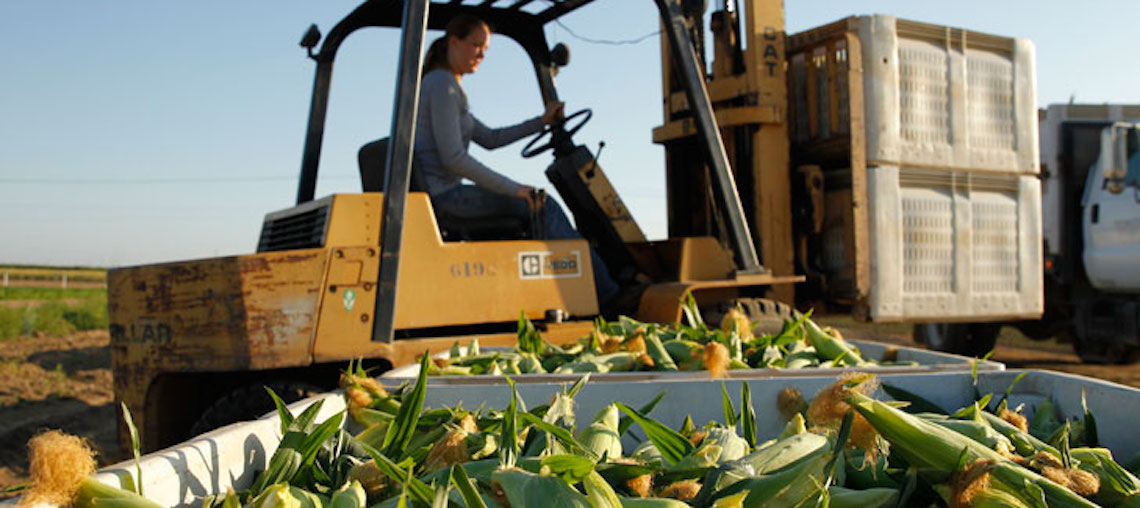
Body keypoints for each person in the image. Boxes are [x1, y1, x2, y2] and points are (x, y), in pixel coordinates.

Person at [413, 15, 621, 307]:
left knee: (537, 202)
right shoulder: (442, 86)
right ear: (454, 42)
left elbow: (491, 138)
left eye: (485, 50)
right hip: (449, 196)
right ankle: (609, 296)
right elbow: (454, 159)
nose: (482, 55)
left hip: (445, 193)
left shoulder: (447, 87)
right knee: (542, 204)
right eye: (476, 46)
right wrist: (514, 189)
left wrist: (542, 122)